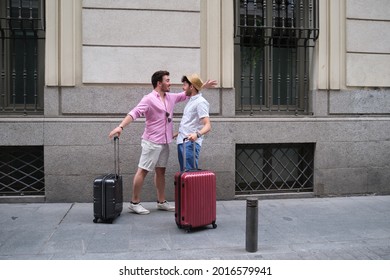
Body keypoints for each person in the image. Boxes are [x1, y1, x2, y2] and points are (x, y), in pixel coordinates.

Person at [109, 70, 216, 215]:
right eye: (167, 80)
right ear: (159, 83)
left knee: (160, 172)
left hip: (165, 141)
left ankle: (161, 201)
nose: (170, 83)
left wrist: (202, 85)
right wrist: (121, 126)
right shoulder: (148, 99)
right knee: (143, 170)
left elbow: (190, 92)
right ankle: (134, 202)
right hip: (151, 141)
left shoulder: (171, 97)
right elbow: (134, 112)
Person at [176, 74, 211, 171]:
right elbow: (190, 122)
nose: (183, 88)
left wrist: (197, 134)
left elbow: (207, 125)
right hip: (183, 141)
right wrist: (178, 133)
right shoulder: (191, 101)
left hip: (190, 144)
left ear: (191, 87)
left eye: (185, 85)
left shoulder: (200, 102)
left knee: (190, 175)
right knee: (185, 174)